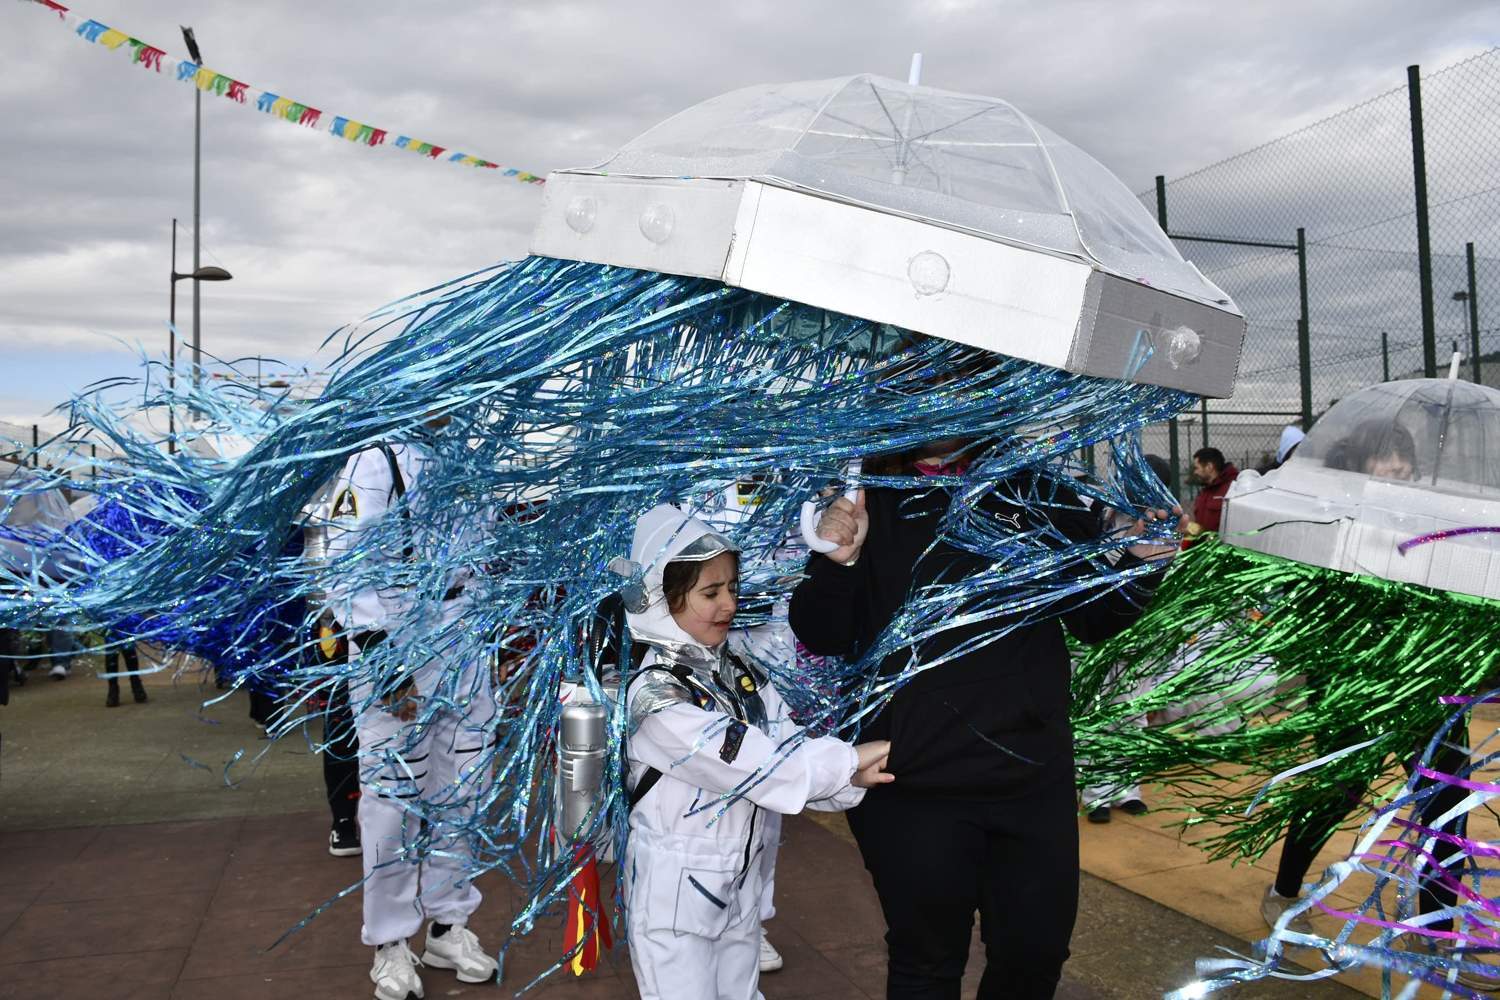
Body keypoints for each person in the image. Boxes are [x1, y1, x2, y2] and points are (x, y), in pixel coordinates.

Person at [790, 440, 1179, 999]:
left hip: (1028, 779)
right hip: (912, 781)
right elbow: (822, 632)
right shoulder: (864, 495)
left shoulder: (1034, 490)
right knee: (927, 963)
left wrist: (1135, 565)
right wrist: (839, 561)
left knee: (1034, 955)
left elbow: (1095, 619)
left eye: (971, 377)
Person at [622, 504, 891, 1000]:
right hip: (674, 897)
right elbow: (755, 765)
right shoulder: (655, 695)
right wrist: (847, 764)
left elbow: (789, 743)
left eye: (731, 588)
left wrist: (848, 779)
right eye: (710, 592)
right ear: (659, 598)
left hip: (739, 882)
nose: (728, 604)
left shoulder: (737, 671)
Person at [324, 423, 499, 1000]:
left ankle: (449, 925)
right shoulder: (375, 459)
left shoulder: (470, 455)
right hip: (398, 636)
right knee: (395, 798)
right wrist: (381, 655)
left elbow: (486, 548)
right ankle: (392, 939)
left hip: (464, 633)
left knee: (464, 787)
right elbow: (345, 559)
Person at [1188, 447, 1238, 538]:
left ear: (1209, 467)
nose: (1195, 472)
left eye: (1197, 468)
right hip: (1205, 547)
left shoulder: (1233, 488)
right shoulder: (1205, 492)